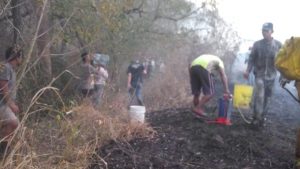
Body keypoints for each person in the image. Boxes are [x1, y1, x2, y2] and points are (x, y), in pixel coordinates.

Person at [243, 22, 282, 126]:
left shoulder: (278, 45)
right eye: (263, 31)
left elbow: (283, 61)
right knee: (260, 95)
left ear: (272, 32)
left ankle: (262, 117)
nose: (264, 33)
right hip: (259, 74)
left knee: (267, 98)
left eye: (266, 31)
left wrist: (284, 75)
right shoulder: (257, 44)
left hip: (272, 76)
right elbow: (251, 58)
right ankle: (256, 117)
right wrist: (247, 70)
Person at [0, 45, 23, 154]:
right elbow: (3, 87)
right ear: (16, 57)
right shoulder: (5, 67)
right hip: (2, 104)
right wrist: (11, 105)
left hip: (6, 104)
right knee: (13, 122)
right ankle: (3, 149)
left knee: (14, 125)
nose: (21, 59)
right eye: (20, 56)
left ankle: (5, 149)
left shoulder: (12, 70)